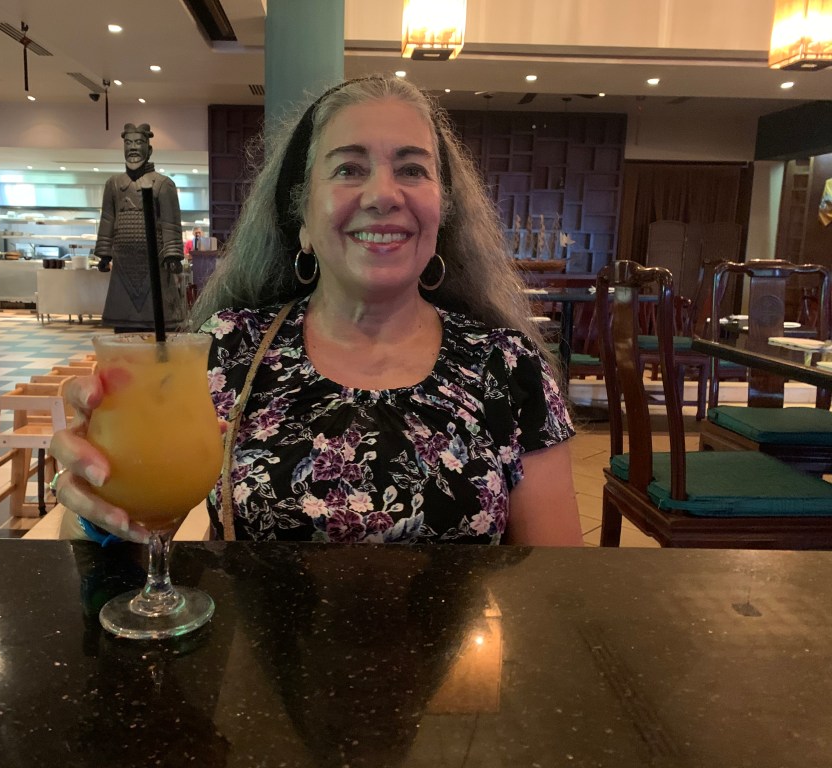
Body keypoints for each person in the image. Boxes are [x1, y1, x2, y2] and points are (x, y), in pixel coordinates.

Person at [51, 75, 583, 547]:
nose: (383, 194)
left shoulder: (508, 367)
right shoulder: (228, 347)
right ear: (301, 217)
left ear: (442, 211)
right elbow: (124, 567)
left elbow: (553, 590)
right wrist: (99, 511)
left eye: (412, 169)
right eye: (349, 168)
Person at [94, 122, 185, 331]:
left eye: (138, 142)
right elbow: (107, 219)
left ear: (149, 149)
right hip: (123, 262)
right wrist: (104, 254)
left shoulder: (163, 184)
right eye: (128, 143)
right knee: (123, 326)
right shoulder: (113, 184)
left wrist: (172, 255)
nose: (133, 147)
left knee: (158, 320)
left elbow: (170, 223)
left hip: (155, 261)